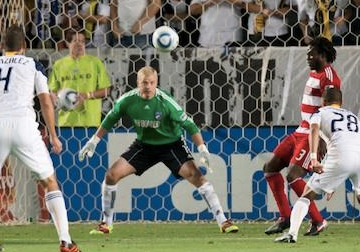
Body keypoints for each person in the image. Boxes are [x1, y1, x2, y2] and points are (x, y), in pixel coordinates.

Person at [79, 66, 239, 234]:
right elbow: (110, 119)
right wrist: (93, 141)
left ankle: (223, 221)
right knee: (111, 175)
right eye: (144, 83)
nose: (148, 86)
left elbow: (190, 125)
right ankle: (106, 224)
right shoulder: (127, 100)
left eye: (151, 82)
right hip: (144, 146)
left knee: (197, 176)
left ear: (156, 83)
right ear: (137, 83)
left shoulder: (166, 102)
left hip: (171, 145)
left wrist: (202, 148)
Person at [0, 24, 80, 252]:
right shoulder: (32, 64)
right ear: (24, 47)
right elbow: (45, 102)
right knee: (49, 182)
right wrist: (53, 136)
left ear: (2, 46)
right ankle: (65, 241)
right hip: (23, 125)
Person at [275, 87, 360, 243]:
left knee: (307, 195)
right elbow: (347, 141)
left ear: (323, 101)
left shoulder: (319, 113)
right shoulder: (352, 116)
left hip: (341, 157)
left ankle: (292, 234)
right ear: (341, 103)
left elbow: (314, 130)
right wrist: (333, 184)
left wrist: (314, 158)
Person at [263, 36, 340, 236]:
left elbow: (332, 111)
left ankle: (318, 221)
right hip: (301, 130)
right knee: (270, 168)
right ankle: (285, 217)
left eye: (311, 54)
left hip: (312, 135)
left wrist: (322, 140)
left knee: (293, 175)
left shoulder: (330, 78)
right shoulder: (316, 72)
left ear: (322, 55)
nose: (308, 57)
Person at [48, 29, 111, 127]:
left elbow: (106, 90)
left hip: (91, 122)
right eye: (75, 41)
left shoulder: (95, 63)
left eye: (82, 41)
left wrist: (87, 95)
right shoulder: (59, 65)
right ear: (67, 43)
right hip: (66, 122)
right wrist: (58, 96)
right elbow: (52, 92)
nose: (79, 44)